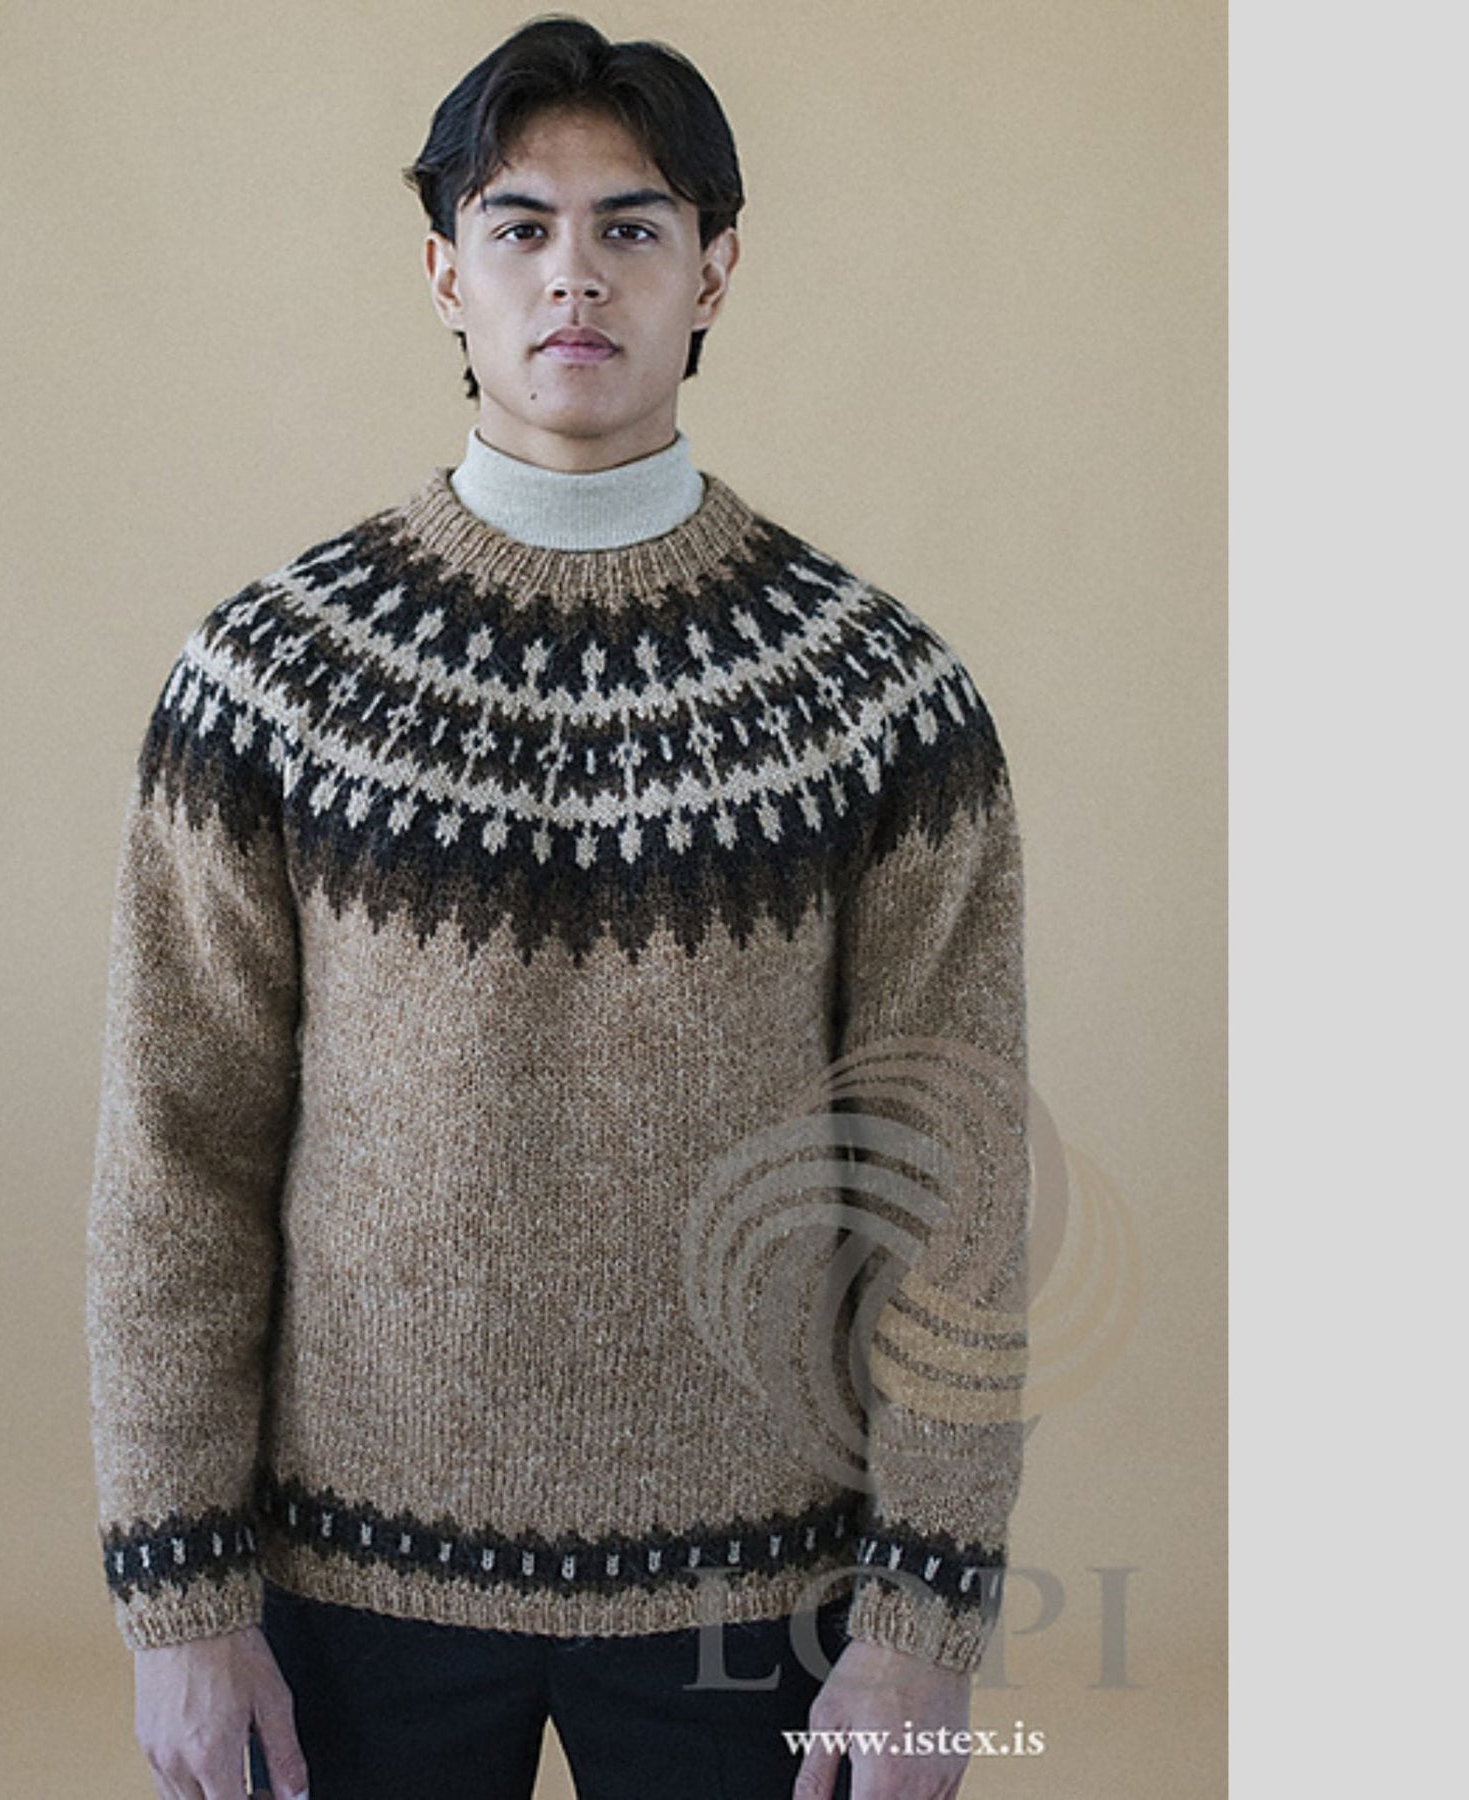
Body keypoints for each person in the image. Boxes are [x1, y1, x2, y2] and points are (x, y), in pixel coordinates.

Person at [86, 16, 1030, 1800]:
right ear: (446, 274)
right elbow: (176, 1159)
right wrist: (176, 1597)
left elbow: (947, 1182)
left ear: (715, 270)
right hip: (336, 1582)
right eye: (519, 227)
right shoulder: (268, 679)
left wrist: (924, 1616)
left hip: (759, 1591)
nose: (573, 276)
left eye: (632, 226)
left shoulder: (881, 698)